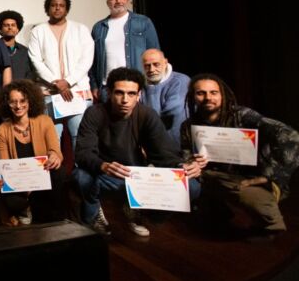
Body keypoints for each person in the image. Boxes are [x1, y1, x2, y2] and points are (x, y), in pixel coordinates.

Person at [74, 67, 201, 237]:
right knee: (81, 177)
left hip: (136, 177)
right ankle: (92, 218)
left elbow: (163, 152)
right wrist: (102, 165)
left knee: (192, 186)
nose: (125, 100)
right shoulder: (95, 113)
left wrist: (182, 166)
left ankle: (145, 214)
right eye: (119, 93)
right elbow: (83, 153)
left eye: (131, 94)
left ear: (139, 95)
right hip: (104, 175)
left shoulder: (147, 114)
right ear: (110, 93)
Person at [181, 74, 299, 241]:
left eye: (213, 92)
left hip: (251, 178)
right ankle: (218, 213)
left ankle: (270, 226)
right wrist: (192, 163)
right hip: (217, 177)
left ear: (222, 94)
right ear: (192, 96)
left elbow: (290, 135)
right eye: (201, 93)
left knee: (249, 195)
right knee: (192, 181)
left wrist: (270, 174)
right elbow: (186, 154)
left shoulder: (242, 116)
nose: (208, 97)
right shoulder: (188, 126)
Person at [0, 80, 67, 225]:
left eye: (22, 101)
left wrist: (54, 156)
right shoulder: (2, 130)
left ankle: (52, 220)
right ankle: (31, 209)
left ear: (30, 100)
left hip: (44, 181)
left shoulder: (45, 121)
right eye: (13, 102)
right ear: (7, 103)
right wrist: (7, 181)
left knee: (60, 172)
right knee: (5, 195)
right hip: (20, 185)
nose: (18, 106)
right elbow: (6, 167)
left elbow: (55, 151)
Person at [28, 0, 95, 152]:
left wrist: (68, 82)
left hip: (76, 91)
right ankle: (54, 175)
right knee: (51, 136)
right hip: (49, 92)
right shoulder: (38, 31)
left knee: (78, 135)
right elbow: (35, 60)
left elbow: (86, 59)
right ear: (47, 9)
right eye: (53, 5)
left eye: (61, 5)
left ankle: (80, 174)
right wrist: (56, 83)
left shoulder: (80, 29)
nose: (57, 8)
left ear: (66, 9)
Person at [89, 0, 159, 101]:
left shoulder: (143, 22)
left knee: (138, 119)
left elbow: (155, 54)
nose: (118, 1)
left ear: (127, 0)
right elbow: (92, 61)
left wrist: (153, 85)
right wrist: (94, 86)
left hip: (137, 87)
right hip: (108, 89)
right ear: (108, 3)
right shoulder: (98, 27)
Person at [140, 48, 190, 145]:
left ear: (165, 62)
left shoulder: (180, 81)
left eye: (156, 64)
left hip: (176, 142)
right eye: (147, 66)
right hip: (149, 142)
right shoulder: (140, 84)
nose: (151, 69)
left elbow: (171, 114)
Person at [0, 10, 35, 81]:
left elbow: (29, 74)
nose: (10, 27)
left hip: (21, 90)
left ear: (18, 29)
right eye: (6, 25)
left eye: (13, 25)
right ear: (0, 30)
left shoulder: (24, 51)